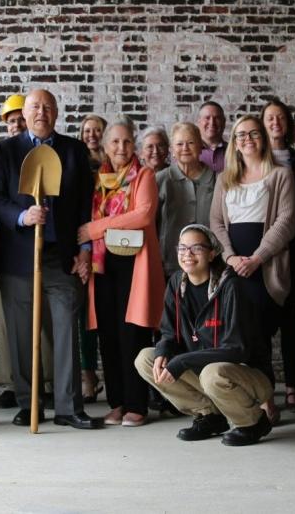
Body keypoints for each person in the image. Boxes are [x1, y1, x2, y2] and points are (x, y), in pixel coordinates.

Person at [0, 89, 102, 430]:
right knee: (23, 332)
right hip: (19, 254)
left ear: (56, 114)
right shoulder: (7, 150)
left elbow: (85, 203)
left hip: (60, 255)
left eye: (48, 107)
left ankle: (69, 406)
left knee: (67, 329)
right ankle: (28, 402)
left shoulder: (73, 150)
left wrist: (84, 251)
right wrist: (23, 216)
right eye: (36, 107)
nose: (42, 112)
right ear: (24, 113)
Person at [134, 224, 273, 446]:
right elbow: (168, 332)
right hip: (203, 373)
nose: (187, 254)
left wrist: (181, 361)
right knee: (146, 359)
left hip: (247, 377)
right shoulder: (176, 284)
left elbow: (236, 350)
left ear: (212, 253)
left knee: (213, 373)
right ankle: (210, 416)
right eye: (182, 248)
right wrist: (163, 352)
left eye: (196, 248)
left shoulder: (230, 287)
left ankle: (253, 422)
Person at [210, 114, 295, 425]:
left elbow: (285, 222)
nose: (247, 139)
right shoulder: (225, 178)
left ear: (263, 138)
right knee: (238, 335)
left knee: (259, 333)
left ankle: (266, 399)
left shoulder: (281, 175)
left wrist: (256, 258)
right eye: (241, 135)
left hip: (265, 266)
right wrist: (232, 258)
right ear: (234, 142)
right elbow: (216, 224)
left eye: (254, 133)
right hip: (234, 267)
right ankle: (245, 401)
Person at [79, 118, 165, 426]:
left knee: (133, 334)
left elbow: (142, 215)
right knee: (108, 336)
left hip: (134, 264)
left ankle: (137, 405)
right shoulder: (97, 180)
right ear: (104, 146)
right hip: (104, 266)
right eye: (114, 142)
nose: (121, 147)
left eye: (127, 141)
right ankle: (116, 403)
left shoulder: (144, 176)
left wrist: (94, 229)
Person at [261, 98, 295, 411]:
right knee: (262, 321)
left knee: (290, 318)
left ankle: (292, 386)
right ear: (262, 123)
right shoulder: (253, 157)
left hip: (291, 245)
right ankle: (265, 389)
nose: (275, 122)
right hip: (259, 246)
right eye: (270, 118)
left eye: (280, 117)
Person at [156, 122, 216, 276]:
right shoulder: (160, 179)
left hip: (210, 262)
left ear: (201, 146)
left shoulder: (217, 180)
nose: (185, 148)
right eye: (179, 144)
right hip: (170, 263)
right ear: (171, 150)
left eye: (191, 143)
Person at [197, 101, 228, 173]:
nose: (212, 123)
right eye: (207, 118)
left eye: (217, 118)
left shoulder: (234, 151)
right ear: (199, 122)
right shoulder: (188, 152)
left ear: (224, 122)